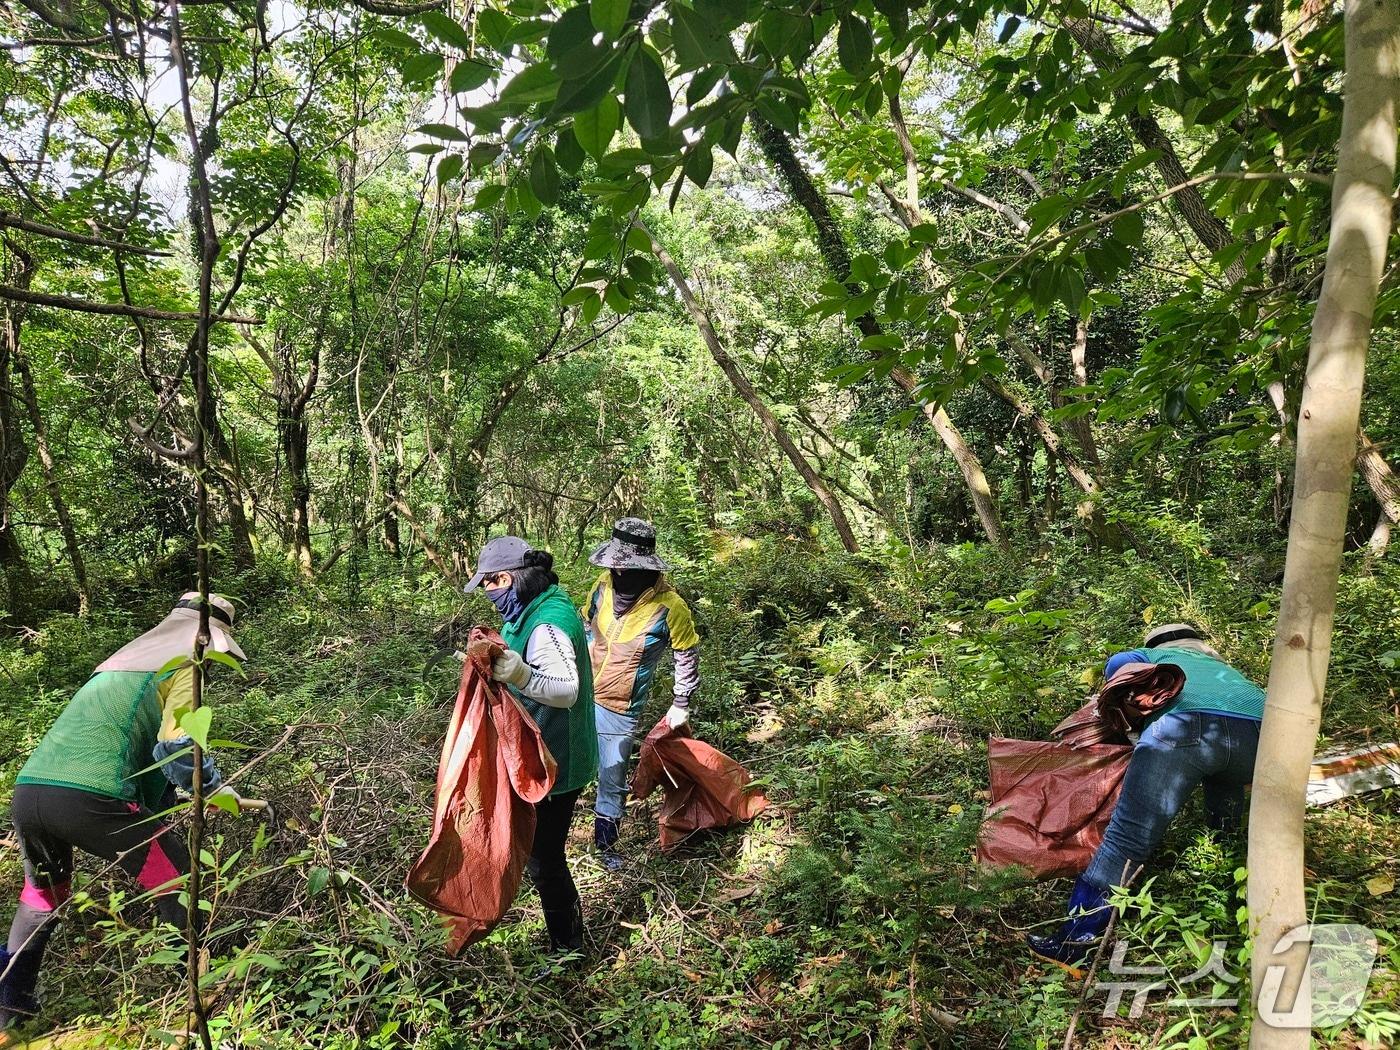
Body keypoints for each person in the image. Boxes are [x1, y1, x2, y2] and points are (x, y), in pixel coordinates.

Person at [0, 593, 261, 1035]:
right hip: (91, 799)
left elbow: (134, 756)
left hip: (29, 794)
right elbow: (177, 745)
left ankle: (9, 1013)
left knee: (42, 896)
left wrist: (171, 807)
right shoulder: (184, 664)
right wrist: (216, 788)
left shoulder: (119, 668)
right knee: (178, 876)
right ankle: (200, 993)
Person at [1027, 623, 1264, 970]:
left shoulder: (1151, 655)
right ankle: (1228, 903)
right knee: (1226, 813)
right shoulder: (1225, 669)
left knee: (1127, 838)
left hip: (1182, 729)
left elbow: (1117, 666)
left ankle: (1075, 942)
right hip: (1258, 736)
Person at [465, 537, 597, 955]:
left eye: (489, 584)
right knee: (543, 856)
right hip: (546, 752)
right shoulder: (534, 608)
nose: (488, 594)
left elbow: (566, 689)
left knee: (545, 861)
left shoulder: (546, 623)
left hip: (557, 759)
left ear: (506, 579)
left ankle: (568, 948)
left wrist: (520, 675)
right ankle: (566, 942)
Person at [583, 518, 700, 870]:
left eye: (625, 567)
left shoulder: (670, 606)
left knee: (612, 776)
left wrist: (681, 702)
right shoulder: (602, 587)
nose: (618, 573)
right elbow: (585, 626)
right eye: (614, 566)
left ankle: (605, 846)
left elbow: (686, 653)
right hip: (579, 692)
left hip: (619, 706)